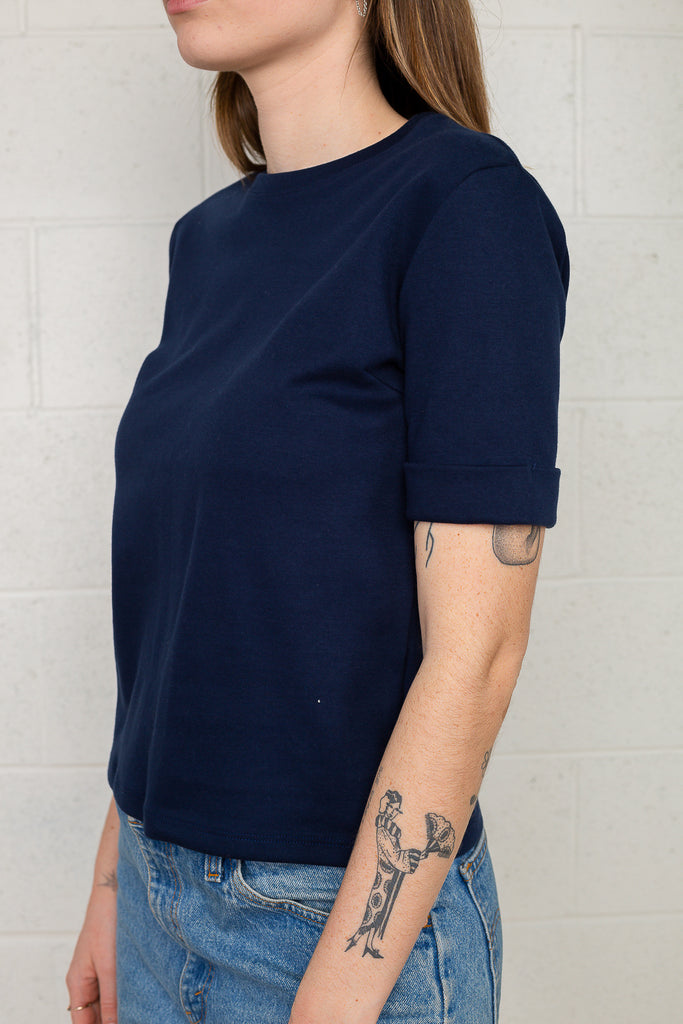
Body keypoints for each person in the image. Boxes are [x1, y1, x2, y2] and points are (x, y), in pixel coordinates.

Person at [66, 1, 570, 1022]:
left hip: (333, 927)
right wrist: (115, 882)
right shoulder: (206, 242)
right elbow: (181, 610)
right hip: (159, 896)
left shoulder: (465, 205)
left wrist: (338, 993)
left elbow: (475, 657)